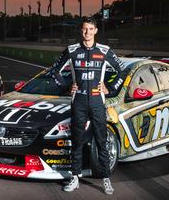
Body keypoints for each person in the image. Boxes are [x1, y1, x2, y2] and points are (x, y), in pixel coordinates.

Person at [50, 17, 124, 195]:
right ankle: (74, 177)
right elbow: (55, 71)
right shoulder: (72, 50)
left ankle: (106, 179)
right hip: (79, 102)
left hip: (98, 102)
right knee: (77, 141)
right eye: (84, 29)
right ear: (81, 31)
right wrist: (67, 87)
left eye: (91, 29)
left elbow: (121, 71)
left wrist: (110, 88)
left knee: (101, 141)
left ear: (96, 31)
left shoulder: (105, 51)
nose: (87, 32)